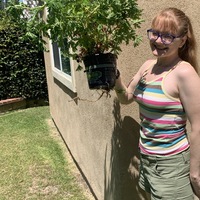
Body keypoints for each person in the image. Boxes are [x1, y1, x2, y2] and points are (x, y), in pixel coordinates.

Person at [114, 7, 200, 200]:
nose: (158, 40)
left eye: (168, 37)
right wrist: (116, 79)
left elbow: (198, 125)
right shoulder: (147, 66)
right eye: (155, 33)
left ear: (183, 40)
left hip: (171, 164)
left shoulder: (183, 72)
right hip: (147, 157)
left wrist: (195, 173)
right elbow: (126, 97)